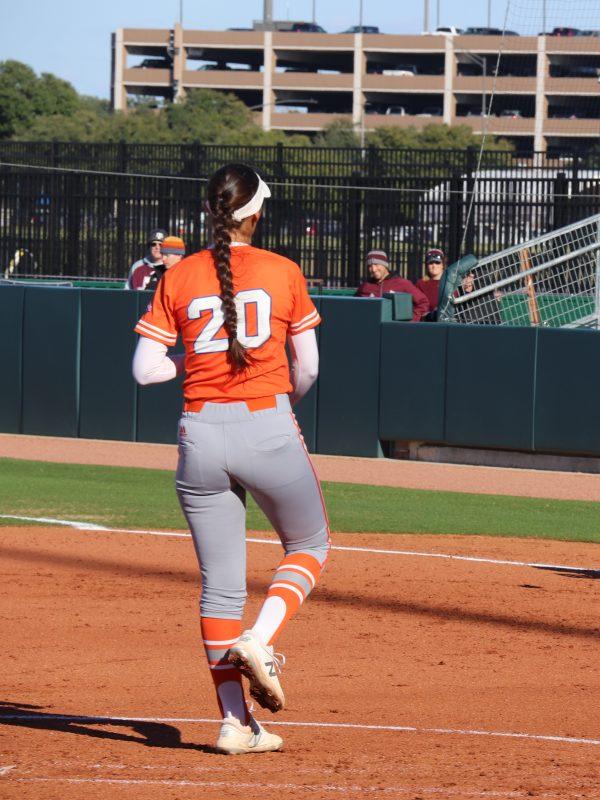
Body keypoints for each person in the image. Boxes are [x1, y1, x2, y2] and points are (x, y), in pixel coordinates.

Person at [131, 164, 330, 755]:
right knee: (309, 545)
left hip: (199, 432)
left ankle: (234, 723)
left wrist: (193, 368)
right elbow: (310, 367)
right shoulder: (281, 270)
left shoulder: (180, 274)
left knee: (219, 590)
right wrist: (270, 406)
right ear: (256, 212)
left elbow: (145, 370)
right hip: (266, 422)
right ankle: (261, 641)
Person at [354, 249, 430, 320]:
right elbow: (354, 306)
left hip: (395, 329)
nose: (373, 269)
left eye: (376, 264)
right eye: (370, 266)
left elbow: (423, 302)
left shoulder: (403, 284)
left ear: (385, 265)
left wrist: (411, 320)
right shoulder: (364, 287)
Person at [415, 247, 445, 319]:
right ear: (426, 265)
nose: (434, 266)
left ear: (442, 265)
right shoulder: (421, 284)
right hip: (428, 323)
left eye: (437, 262)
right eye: (431, 263)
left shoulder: (450, 281)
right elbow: (416, 306)